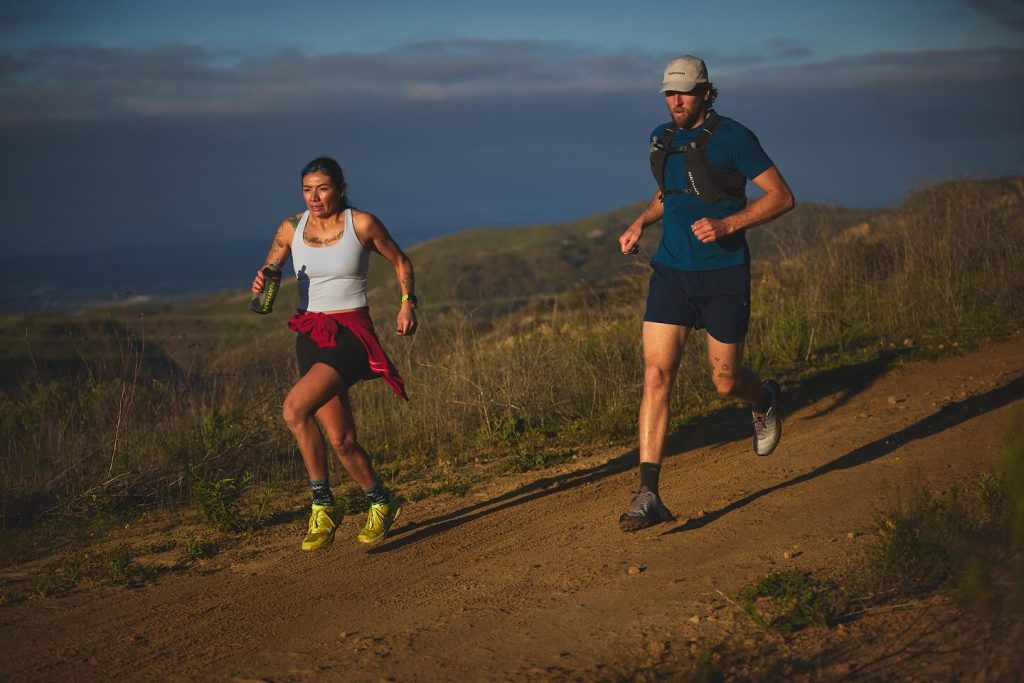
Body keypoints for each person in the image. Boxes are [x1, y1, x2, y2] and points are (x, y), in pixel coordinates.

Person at [617, 55, 795, 531]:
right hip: (671, 272)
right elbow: (668, 192)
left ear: (707, 93)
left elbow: (781, 196)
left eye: (686, 92)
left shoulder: (735, 137)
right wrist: (639, 223)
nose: (676, 101)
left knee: (724, 381)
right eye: (670, 93)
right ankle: (648, 493)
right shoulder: (663, 136)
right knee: (656, 375)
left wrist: (727, 224)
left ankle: (763, 400)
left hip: (723, 274)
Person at [251, 156, 418, 550]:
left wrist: (407, 302)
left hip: (351, 335)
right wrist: (260, 282)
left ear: (340, 189)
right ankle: (382, 501)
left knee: (294, 409)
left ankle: (322, 505)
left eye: (322, 188)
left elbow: (401, 260)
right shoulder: (290, 229)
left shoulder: (361, 223)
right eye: (307, 189)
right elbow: (268, 275)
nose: (314, 196)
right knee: (342, 439)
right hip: (310, 334)